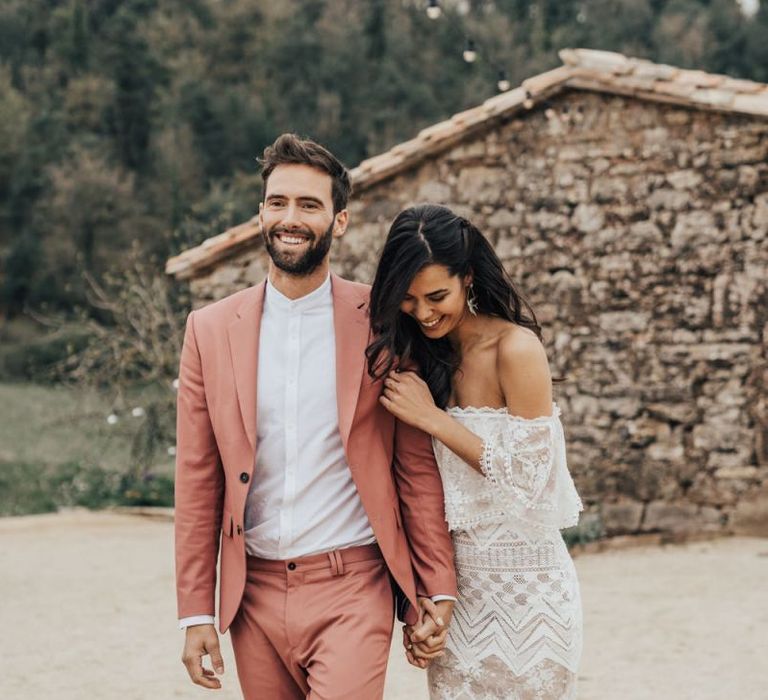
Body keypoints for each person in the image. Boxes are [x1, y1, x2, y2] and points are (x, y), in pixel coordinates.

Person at [174, 135, 458, 700]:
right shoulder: (207, 329)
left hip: (353, 585)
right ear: (261, 213)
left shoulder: (383, 323)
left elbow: (413, 467)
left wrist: (437, 585)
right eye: (278, 202)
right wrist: (194, 613)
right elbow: (197, 477)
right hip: (250, 594)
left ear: (340, 219)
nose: (290, 218)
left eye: (309, 205)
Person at [367, 204, 583, 699]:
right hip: (458, 597)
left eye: (437, 296)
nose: (423, 313)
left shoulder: (517, 348)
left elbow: (530, 480)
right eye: (408, 299)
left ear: (467, 279)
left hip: (533, 593)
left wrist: (434, 419)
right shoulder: (417, 356)